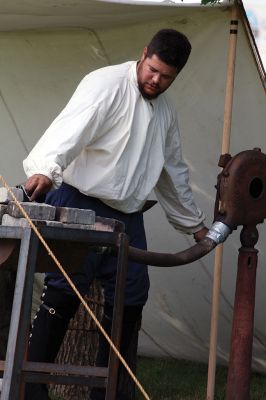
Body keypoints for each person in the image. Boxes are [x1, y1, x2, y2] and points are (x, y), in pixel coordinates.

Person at [23, 29, 208, 399]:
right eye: (152, 70)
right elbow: (68, 130)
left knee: (132, 297)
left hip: (128, 216)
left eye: (166, 76)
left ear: (177, 75)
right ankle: (31, 387)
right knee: (64, 290)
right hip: (79, 201)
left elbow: (172, 171)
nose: (156, 80)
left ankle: (110, 392)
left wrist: (195, 226)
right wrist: (44, 168)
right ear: (144, 55)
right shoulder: (105, 84)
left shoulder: (166, 111)